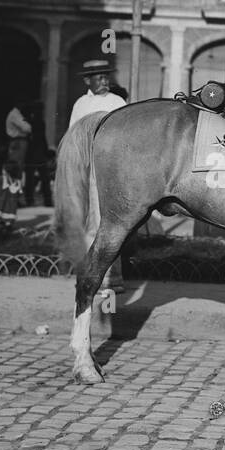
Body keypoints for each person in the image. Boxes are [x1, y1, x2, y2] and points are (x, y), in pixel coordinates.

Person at [68, 59, 127, 291]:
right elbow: (74, 136)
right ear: (87, 80)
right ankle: (89, 277)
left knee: (113, 221)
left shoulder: (117, 101)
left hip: (114, 168)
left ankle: (114, 278)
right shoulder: (81, 104)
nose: (105, 81)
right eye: (99, 77)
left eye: (106, 76)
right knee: (92, 221)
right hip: (91, 167)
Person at [68, 59, 126, 128]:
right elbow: (72, 132)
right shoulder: (80, 103)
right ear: (88, 81)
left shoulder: (117, 101)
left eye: (106, 78)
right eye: (100, 78)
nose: (104, 82)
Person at [4, 98, 33, 169]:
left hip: (19, 141)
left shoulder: (18, 114)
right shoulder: (15, 114)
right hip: (18, 141)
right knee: (16, 164)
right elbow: (27, 128)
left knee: (18, 164)